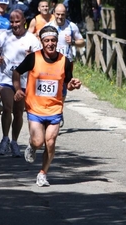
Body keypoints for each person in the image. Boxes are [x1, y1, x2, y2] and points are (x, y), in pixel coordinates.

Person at [12, 25, 82, 186]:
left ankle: (43, 173)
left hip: (54, 108)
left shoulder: (65, 61)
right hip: (35, 108)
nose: (50, 43)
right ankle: (32, 145)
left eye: (53, 40)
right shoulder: (33, 58)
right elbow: (17, 72)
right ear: (42, 42)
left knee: (50, 142)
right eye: (47, 40)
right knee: (38, 142)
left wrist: (73, 84)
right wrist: (17, 89)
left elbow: (68, 84)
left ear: (57, 41)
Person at [0, 9, 41, 157]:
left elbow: (39, 59)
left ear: (24, 21)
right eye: (12, 22)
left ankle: (14, 141)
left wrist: (31, 57)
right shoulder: (4, 36)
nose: (14, 24)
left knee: (19, 112)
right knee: (7, 107)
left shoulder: (32, 39)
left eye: (17, 21)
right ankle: (5, 139)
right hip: (6, 77)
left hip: (24, 80)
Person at [46, 3, 85, 127]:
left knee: (63, 89)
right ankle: (50, 112)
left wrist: (72, 42)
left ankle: (59, 110)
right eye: (58, 14)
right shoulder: (48, 27)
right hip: (51, 63)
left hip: (66, 63)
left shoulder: (71, 26)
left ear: (66, 14)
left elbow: (82, 42)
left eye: (62, 14)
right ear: (53, 14)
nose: (60, 17)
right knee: (51, 88)